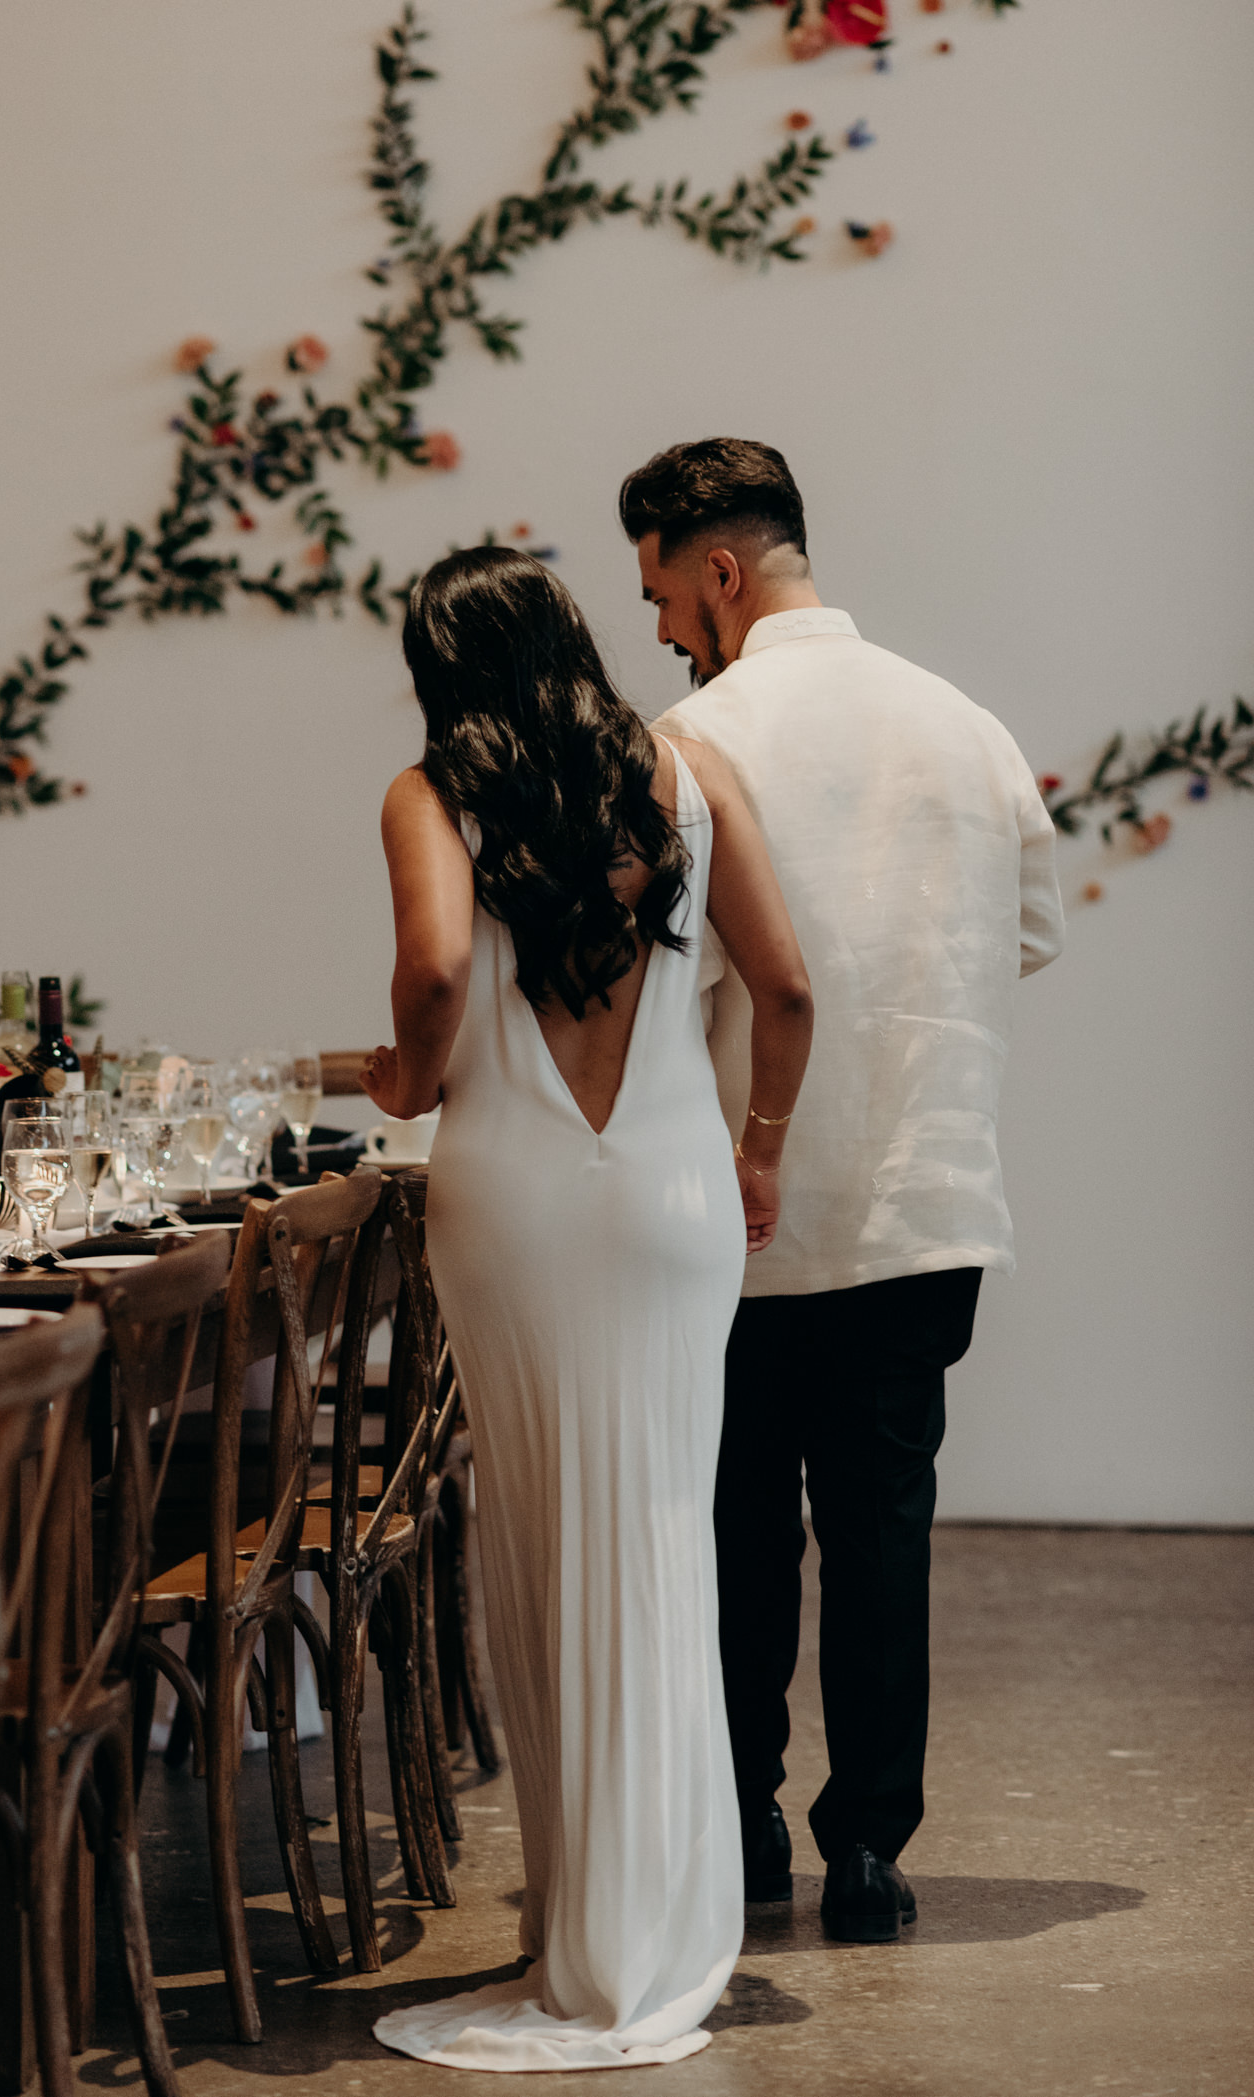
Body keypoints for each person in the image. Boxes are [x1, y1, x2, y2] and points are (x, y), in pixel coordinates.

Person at [361, 547, 814, 2070]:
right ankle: (646, 1917)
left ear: (446, 667)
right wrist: (759, 1150)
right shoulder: (687, 774)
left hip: (516, 1202)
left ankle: (588, 1927)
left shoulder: (431, 795)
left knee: (543, 1544)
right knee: (659, 1538)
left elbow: (434, 969)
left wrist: (406, 1082)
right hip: (678, 1195)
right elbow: (790, 988)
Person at [621, 437, 1065, 1943]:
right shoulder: (966, 726)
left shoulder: (691, 739)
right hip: (925, 1193)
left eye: (665, 595)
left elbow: (658, 987)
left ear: (721, 570)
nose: (666, 629)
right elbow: (1029, 937)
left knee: (742, 1523)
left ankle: (743, 1829)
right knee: (885, 1525)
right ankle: (869, 1853)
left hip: (742, 1211)